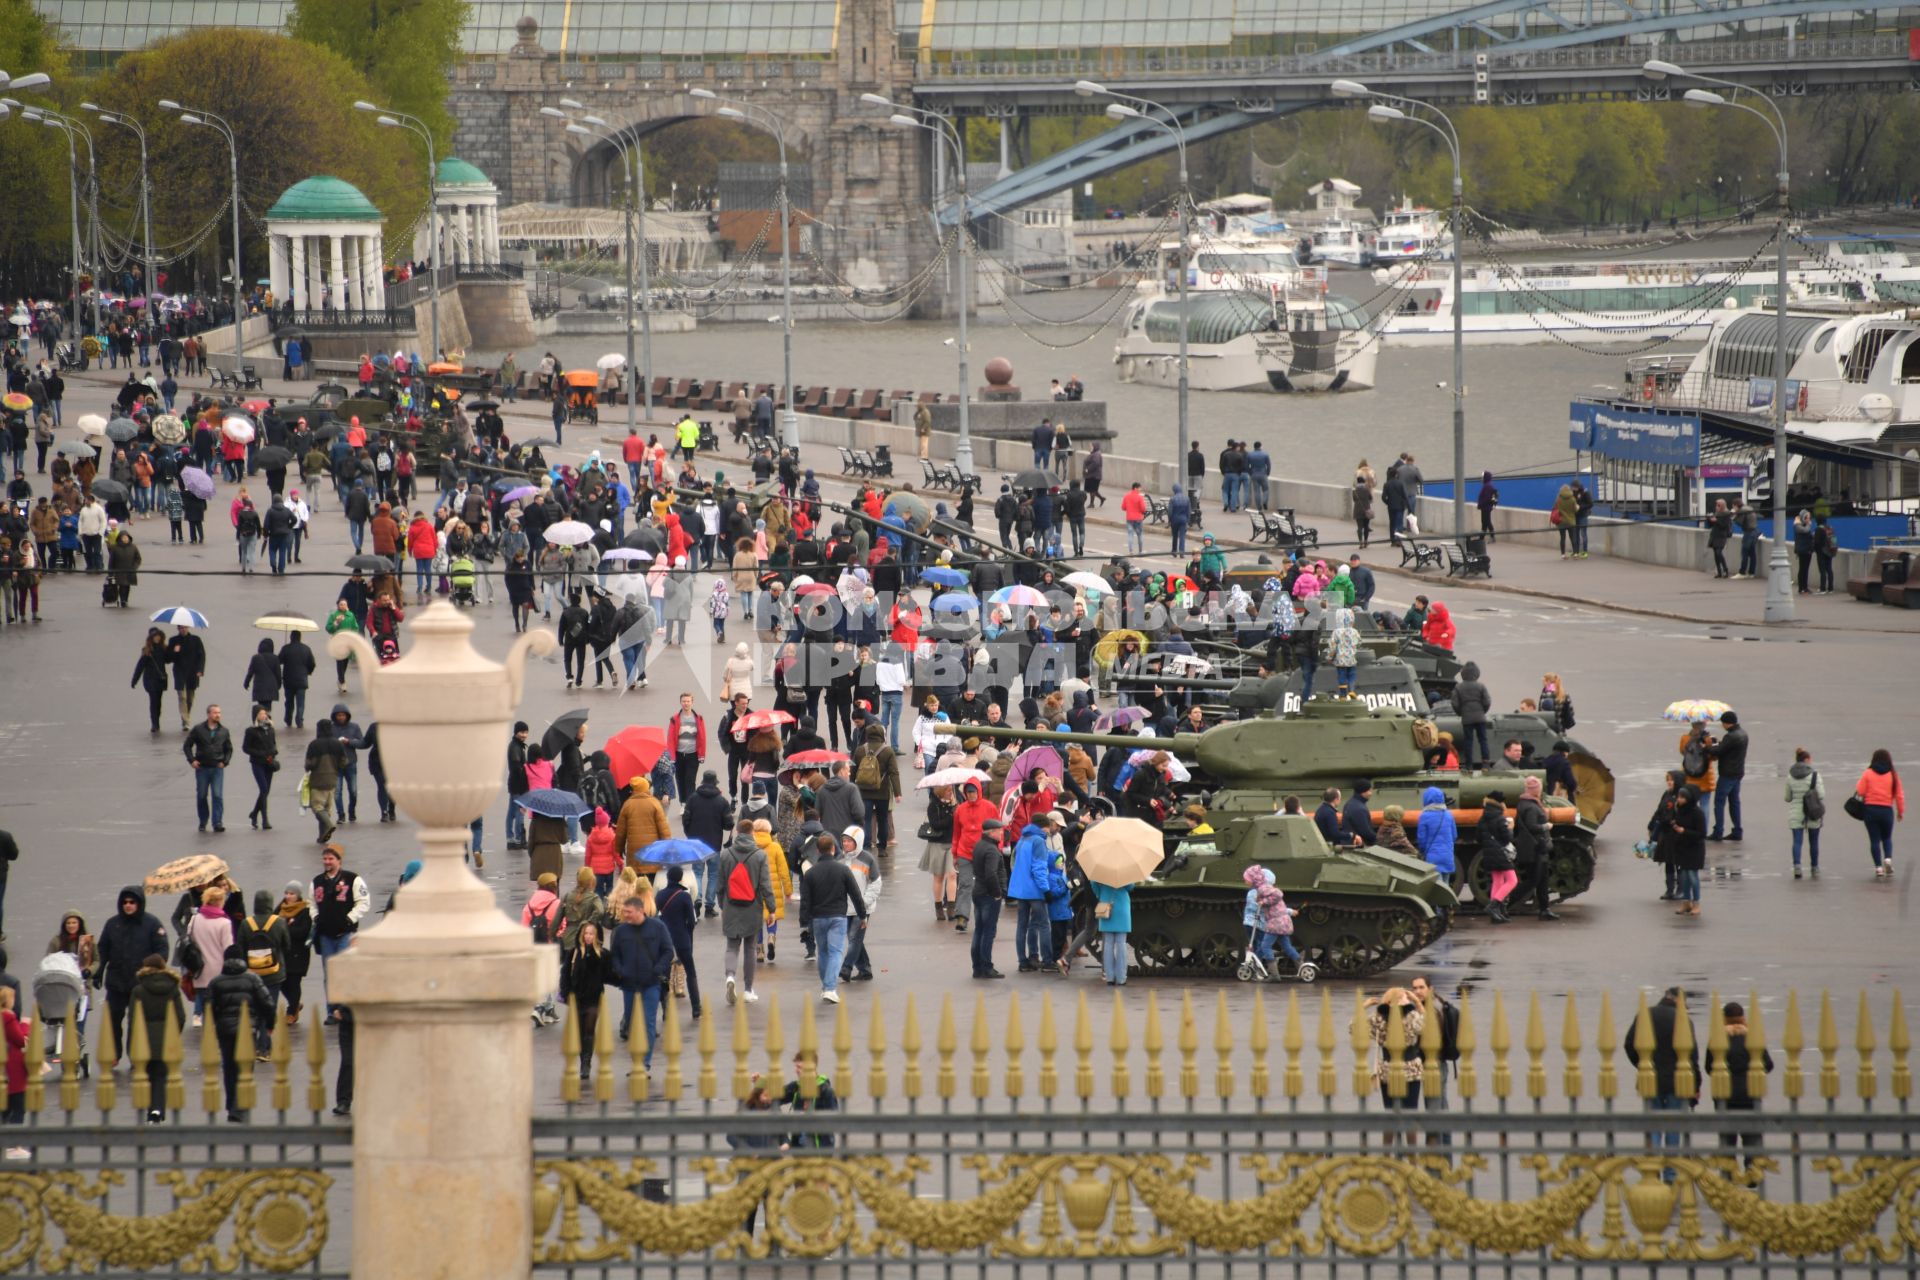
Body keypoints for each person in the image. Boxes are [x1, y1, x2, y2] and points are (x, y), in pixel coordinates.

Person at [1623, 986, 1700, 1169]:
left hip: (1650, 1078)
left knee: (1653, 1125)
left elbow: (1629, 1045)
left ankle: (1653, 1168)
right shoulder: (1683, 1020)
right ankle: (1671, 1174)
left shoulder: (1644, 1015)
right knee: (1673, 1127)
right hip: (1677, 1080)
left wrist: (1643, 1065)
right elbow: (1692, 1055)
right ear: (1679, 1001)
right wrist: (1696, 1084)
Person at [96, 886, 167, 1065]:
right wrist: (98, 972)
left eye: (132, 902)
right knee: (113, 1019)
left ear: (139, 903)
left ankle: (136, 1055)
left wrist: (151, 970)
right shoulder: (112, 924)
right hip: (116, 982)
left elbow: (162, 951)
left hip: (140, 983)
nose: (128, 905)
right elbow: (102, 950)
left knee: (137, 1022)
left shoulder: (152, 924)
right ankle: (114, 1054)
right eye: (125, 902)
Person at [798, 829, 866, 1004]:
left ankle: (826, 986)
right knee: (836, 952)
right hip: (838, 916)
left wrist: (804, 923)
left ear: (818, 851)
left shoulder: (811, 873)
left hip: (818, 918)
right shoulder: (842, 870)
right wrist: (862, 915)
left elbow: (805, 900)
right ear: (834, 850)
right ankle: (829, 988)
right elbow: (856, 894)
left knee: (824, 953)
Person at [206, 944, 272, 1121]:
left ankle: (231, 1106)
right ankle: (240, 1105)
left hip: (225, 1030)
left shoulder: (216, 982)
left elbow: (210, 1008)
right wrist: (269, 1024)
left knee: (229, 1068)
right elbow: (267, 1003)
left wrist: (216, 1024)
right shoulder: (253, 979)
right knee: (245, 1069)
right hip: (247, 1030)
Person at [607, 892, 673, 1068]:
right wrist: (620, 970)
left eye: (628, 911)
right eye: (624, 911)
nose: (625, 915)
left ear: (640, 911)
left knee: (648, 1023)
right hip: (628, 985)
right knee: (631, 1022)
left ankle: (645, 1062)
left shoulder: (657, 928)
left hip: (651, 984)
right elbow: (615, 955)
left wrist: (658, 969)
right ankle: (636, 1058)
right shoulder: (620, 931)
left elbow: (668, 951)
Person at [714, 819, 774, 1005]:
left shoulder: (726, 854)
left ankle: (730, 977)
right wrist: (771, 908)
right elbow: (765, 885)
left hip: (731, 905)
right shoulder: (759, 855)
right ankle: (748, 990)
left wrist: (723, 906)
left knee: (732, 946)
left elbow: (720, 885)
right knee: (750, 948)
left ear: (738, 833)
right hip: (752, 907)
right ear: (752, 833)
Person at [310, 845, 369, 1018]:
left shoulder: (353, 879)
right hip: (325, 935)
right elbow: (311, 903)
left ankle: (343, 1009)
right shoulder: (317, 881)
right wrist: (315, 917)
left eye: (331, 859)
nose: (327, 862)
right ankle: (331, 1010)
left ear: (339, 860)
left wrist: (350, 919)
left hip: (345, 934)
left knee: (344, 971)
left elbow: (364, 902)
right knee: (329, 974)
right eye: (325, 858)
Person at [128, 953, 186, 1123]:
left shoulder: (138, 990)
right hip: (166, 1039)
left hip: (144, 1038)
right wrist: (174, 1034)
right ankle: (158, 1109)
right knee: (161, 1077)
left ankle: (149, 1109)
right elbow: (180, 1016)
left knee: (147, 1076)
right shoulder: (173, 988)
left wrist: (132, 1042)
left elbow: (133, 1018)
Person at [1717, 1000, 1773, 1165]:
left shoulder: (1718, 1039)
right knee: (1752, 1136)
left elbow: (1709, 1066)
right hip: (1750, 1093)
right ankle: (1752, 1172)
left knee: (1728, 1138)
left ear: (1724, 1018)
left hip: (1725, 1094)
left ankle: (1729, 1174)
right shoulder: (1753, 1037)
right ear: (1743, 1018)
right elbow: (1768, 1065)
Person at [1007, 811, 1060, 974]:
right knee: (1043, 925)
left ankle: (1025, 961)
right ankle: (1047, 961)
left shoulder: (1023, 839)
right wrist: (1046, 890)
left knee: (1023, 926)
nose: (1048, 831)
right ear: (1043, 827)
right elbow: (1039, 868)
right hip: (1035, 891)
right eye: (1047, 827)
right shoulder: (1038, 841)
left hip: (1020, 890)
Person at [563, 921, 611, 1079]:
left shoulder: (602, 954)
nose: (588, 936)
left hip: (594, 998)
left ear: (597, 936)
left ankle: (586, 1062)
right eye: (586, 933)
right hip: (577, 998)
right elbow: (565, 976)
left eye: (592, 933)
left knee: (589, 1029)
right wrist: (565, 993)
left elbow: (610, 974)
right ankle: (582, 1056)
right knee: (579, 1031)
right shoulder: (574, 953)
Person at [1511, 778, 1561, 921]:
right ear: (1535, 790)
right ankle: (1506, 901)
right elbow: (1532, 826)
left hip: (1537, 848)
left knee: (1542, 880)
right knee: (1533, 880)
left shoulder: (1526, 804)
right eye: (1538, 789)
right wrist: (1546, 826)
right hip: (1535, 849)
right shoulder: (1531, 807)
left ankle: (1544, 910)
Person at [655, 867, 702, 1021]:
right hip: (682, 938)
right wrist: (688, 934)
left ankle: (666, 1011)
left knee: (665, 976)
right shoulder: (684, 897)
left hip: (665, 940)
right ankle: (696, 1008)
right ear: (681, 878)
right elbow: (691, 920)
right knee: (691, 972)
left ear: (668, 878)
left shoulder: (660, 896)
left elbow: (657, 916)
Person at [1854, 748, 1905, 878]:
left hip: (1870, 810)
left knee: (1874, 840)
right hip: (1886, 810)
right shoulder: (1893, 774)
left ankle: (1878, 868)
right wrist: (1900, 811)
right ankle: (1888, 858)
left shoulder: (1868, 773)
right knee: (1887, 838)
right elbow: (1899, 795)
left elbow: (1860, 791)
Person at [183, 704, 233, 834]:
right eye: (215, 713)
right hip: (202, 768)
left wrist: (225, 762)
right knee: (201, 795)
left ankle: (217, 822)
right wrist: (192, 760)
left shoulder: (224, 731)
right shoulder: (198, 729)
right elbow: (187, 746)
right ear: (209, 714)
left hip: (217, 768)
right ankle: (203, 821)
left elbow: (229, 749)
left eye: (219, 713)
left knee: (217, 795)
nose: (218, 715)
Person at [968, 818, 1007, 979]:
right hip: (988, 895)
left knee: (979, 930)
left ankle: (977, 967)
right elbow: (991, 874)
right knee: (988, 932)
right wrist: (997, 893)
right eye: (999, 830)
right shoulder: (991, 850)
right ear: (991, 832)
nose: (1001, 832)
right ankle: (986, 966)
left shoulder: (979, 845)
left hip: (978, 892)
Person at [1705, 709, 1748, 843]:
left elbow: (1720, 750)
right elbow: (1726, 748)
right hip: (1738, 773)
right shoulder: (1743, 734)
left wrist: (1706, 747)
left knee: (1719, 802)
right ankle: (1737, 830)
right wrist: (1720, 743)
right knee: (1734, 802)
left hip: (1727, 774)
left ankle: (1718, 831)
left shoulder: (1731, 736)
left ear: (1727, 723)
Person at [1784, 747, 1826, 879]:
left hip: (1796, 812)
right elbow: (1821, 795)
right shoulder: (1815, 775)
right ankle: (1815, 867)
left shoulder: (1790, 775)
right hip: (1813, 811)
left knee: (1797, 841)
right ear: (1807, 760)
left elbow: (1787, 798)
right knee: (1814, 841)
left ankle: (1797, 867)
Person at [304, 722, 347, 844]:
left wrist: (308, 768)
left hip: (318, 779)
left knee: (317, 807)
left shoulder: (314, 745)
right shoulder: (337, 744)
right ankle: (322, 836)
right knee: (326, 808)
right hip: (333, 779)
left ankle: (329, 825)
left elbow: (310, 764)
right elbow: (344, 761)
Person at [1669, 784, 1706, 917]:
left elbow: (1702, 834)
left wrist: (1684, 831)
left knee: (1692, 876)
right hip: (1682, 847)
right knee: (1683, 877)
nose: (1678, 799)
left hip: (1694, 848)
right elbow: (1675, 822)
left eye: (1682, 797)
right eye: (1678, 796)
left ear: (1688, 799)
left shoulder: (1697, 813)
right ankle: (1686, 902)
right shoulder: (1679, 809)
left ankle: (1696, 903)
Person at [1479, 795, 1516, 923]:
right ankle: (1493, 906)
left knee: (1497, 881)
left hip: (1489, 852)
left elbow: (1478, 836)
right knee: (1512, 880)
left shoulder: (1483, 818)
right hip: (1501, 853)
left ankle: (1495, 914)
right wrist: (1510, 827)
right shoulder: (1500, 818)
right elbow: (1507, 838)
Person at [242, 706, 279, 831]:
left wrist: (274, 752)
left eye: (265, 713)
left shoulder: (270, 728)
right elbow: (246, 748)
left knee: (266, 791)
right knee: (263, 788)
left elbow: (273, 743)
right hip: (257, 763)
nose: (264, 715)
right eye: (261, 713)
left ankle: (254, 813)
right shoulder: (251, 731)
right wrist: (260, 753)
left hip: (269, 763)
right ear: (256, 716)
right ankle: (265, 819)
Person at [131, 628, 170, 734]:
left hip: (160, 679)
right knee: (153, 701)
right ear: (151, 638)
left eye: (158, 636)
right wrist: (134, 680)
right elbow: (140, 666)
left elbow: (169, 660)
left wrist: (176, 651)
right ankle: (155, 724)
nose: (157, 638)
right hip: (150, 680)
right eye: (155, 636)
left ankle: (156, 720)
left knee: (158, 702)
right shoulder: (147, 650)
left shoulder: (164, 648)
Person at [1120, 483, 1147, 556]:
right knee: (1140, 535)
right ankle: (1140, 551)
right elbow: (1143, 509)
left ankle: (1131, 551)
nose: (1140, 490)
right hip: (1138, 518)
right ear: (1135, 488)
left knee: (1130, 535)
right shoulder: (1139, 497)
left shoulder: (1127, 496)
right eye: (1139, 488)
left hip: (1129, 519)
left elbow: (1123, 507)